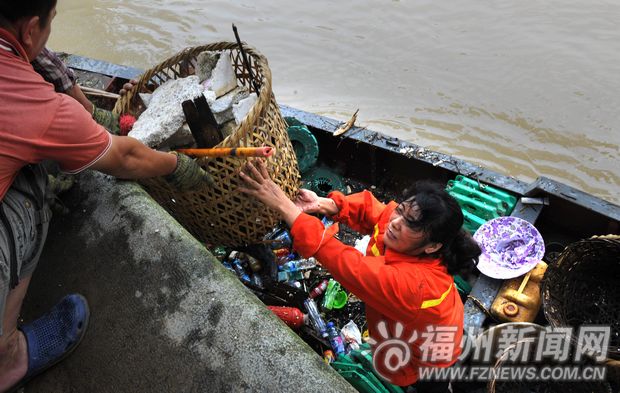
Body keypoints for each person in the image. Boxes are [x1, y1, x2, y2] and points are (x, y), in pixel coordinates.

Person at [0, 1, 211, 390]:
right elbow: (126, 157)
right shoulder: (34, 105)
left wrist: (88, 114)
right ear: (31, 30)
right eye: (50, 25)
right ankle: (6, 357)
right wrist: (176, 165)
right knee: (31, 189)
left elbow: (43, 61)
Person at [239, 160, 481, 392]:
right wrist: (325, 204)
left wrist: (284, 205)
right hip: (438, 323)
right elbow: (376, 211)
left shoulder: (412, 286)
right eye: (402, 210)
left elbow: (345, 262)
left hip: (428, 355)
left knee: (433, 381)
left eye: (412, 224)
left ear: (433, 246)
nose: (396, 222)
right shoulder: (404, 230)